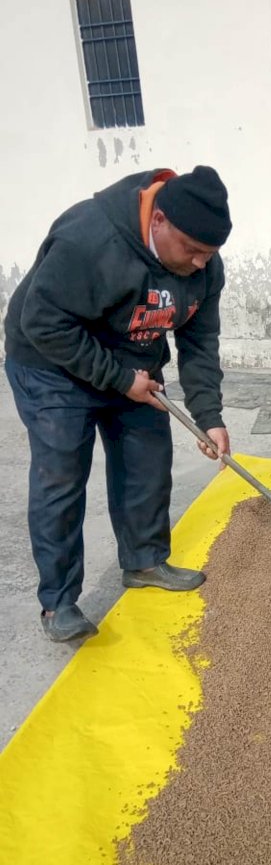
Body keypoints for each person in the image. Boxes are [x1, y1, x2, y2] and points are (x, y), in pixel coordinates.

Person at [4, 165, 233, 645]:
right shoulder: (90, 238)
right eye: (191, 250)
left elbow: (199, 340)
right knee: (62, 474)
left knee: (148, 460)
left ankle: (145, 561)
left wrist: (210, 417)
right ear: (159, 221)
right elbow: (42, 323)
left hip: (134, 357)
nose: (197, 264)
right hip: (52, 363)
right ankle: (60, 603)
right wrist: (116, 379)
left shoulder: (204, 267)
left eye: (207, 255)